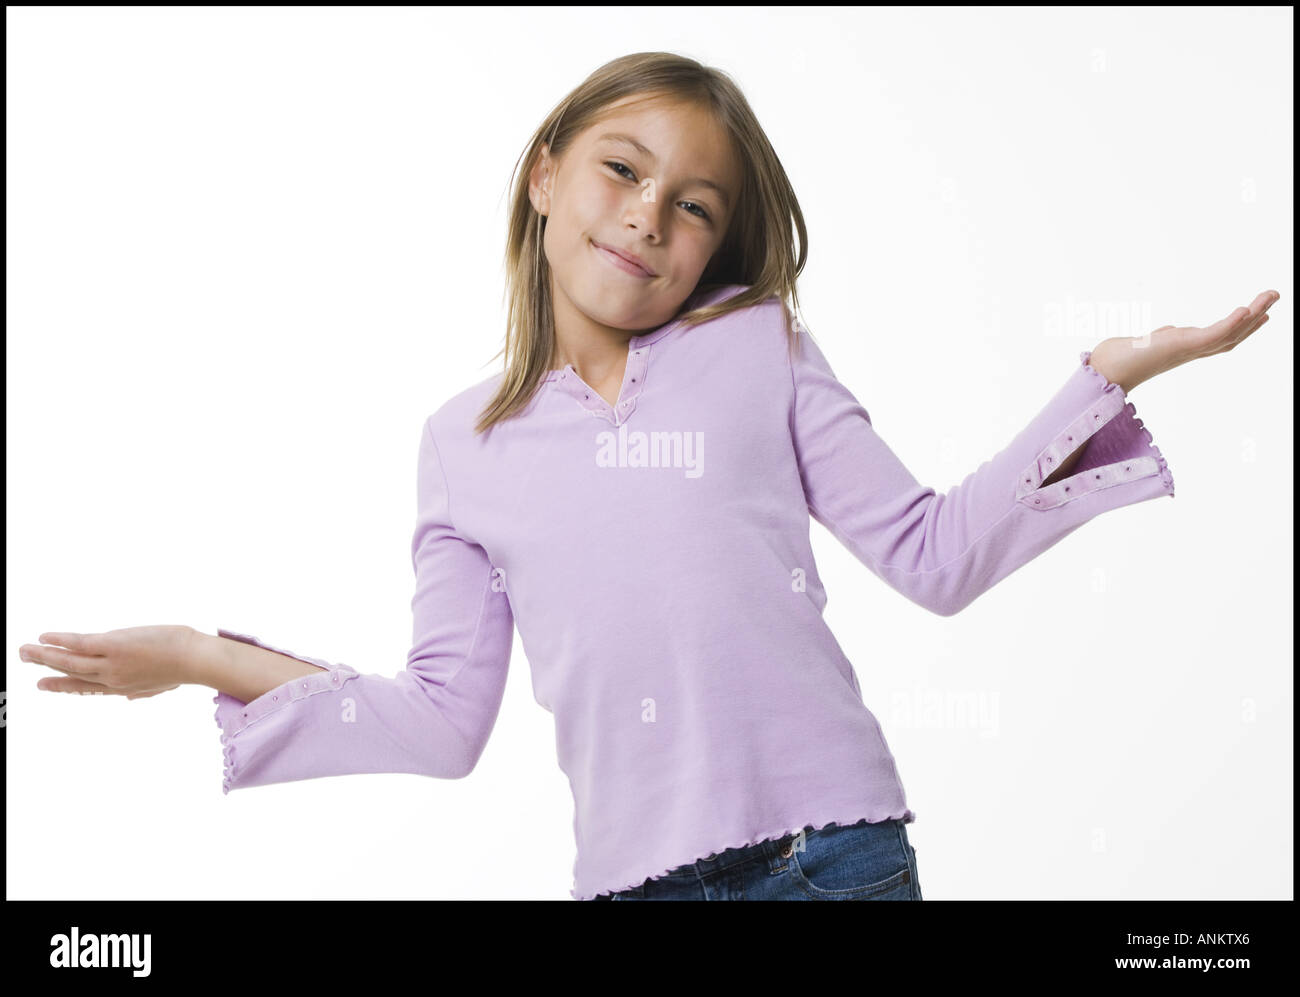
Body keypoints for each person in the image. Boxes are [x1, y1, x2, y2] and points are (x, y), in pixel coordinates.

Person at [18, 52, 1278, 902]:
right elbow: (443, 720)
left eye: (693, 206)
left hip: (832, 857)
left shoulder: (755, 344)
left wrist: (1104, 380)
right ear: (545, 174)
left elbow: (932, 554)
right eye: (623, 170)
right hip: (635, 885)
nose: (648, 217)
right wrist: (197, 653)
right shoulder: (464, 443)